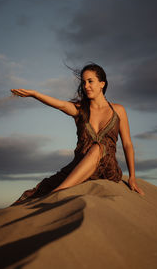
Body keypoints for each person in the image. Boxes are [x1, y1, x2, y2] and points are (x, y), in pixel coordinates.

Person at [10, 63, 144, 205]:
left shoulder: (118, 110)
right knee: (37, 191)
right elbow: (60, 104)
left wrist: (132, 177)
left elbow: (127, 144)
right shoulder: (80, 110)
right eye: (84, 82)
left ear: (102, 84)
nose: (86, 86)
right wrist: (34, 94)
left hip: (106, 168)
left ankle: (57, 194)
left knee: (99, 147)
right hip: (78, 166)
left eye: (90, 81)